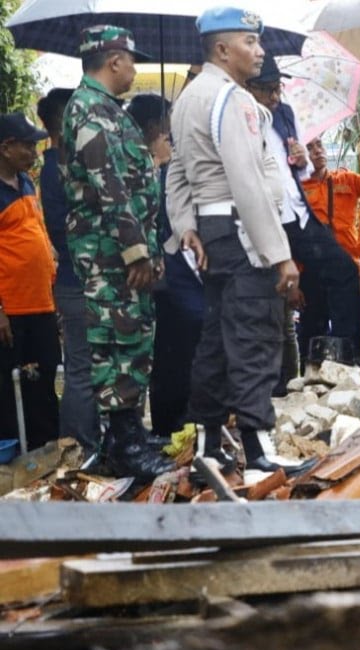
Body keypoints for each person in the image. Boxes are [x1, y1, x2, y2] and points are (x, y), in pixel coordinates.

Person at [166, 7, 299, 475]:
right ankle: (259, 450)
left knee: (217, 340)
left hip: (214, 232)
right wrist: (279, 254)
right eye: (250, 41)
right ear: (222, 49)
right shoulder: (233, 99)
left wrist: (187, 226)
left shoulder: (188, 99)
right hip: (244, 231)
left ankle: (207, 445)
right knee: (254, 336)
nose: (260, 51)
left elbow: (177, 173)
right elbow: (248, 180)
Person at [62, 26, 170, 480]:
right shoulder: (89, 111)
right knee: (118, 343)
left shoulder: (109, 110)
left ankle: (126, 436)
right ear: (113, 60)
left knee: (134, 339)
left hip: (121, 251)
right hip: (109, 256)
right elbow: (110, 189)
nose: (134, 69)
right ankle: (123, 443)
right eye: (131, 59)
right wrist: (135, 252)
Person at [245, 54, 360, 373]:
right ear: (249, 87)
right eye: (267, 90)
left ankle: (345, 355)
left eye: (277, 89)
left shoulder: (284, 113)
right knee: (287, 294)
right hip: (267, 215)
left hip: (298, 211)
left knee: (342, 271)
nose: (274, 97)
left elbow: (303, 168)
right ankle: (301, 365)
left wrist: (300, 158)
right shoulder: (241, 118)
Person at [129, 94, 203, 438]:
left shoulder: (170, 160)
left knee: (181, 346)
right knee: (175, 347)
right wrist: (158, 169)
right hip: (164, 270)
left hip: (178, 266)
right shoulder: (139, 162)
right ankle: (169, 424)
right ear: (155, 126)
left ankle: (185, 420)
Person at [37, 88, 95, 449]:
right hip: (76, 281)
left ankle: (89, 441)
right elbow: (61, 227)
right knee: (81, 369)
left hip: (82, 280)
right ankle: (80, 446)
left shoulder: (69, 162)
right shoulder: (53, 170)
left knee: (87, 366)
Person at [0, 113, 59, 450]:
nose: (34, 152)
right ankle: (14, 457)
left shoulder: (25, 182)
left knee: (44, 381)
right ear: (7, 148)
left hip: (42, 303)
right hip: (12, 311)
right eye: (28, 145)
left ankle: (47, 453)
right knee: (11, 389)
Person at [301, 137, 360, 363]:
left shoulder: (346, 180)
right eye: (309, 147)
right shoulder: (297, 191)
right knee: (311, 337)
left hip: (347, 271)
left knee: (349, 333)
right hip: (311, 274)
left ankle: (353, 376)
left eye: (319, 145)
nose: (317, 151)